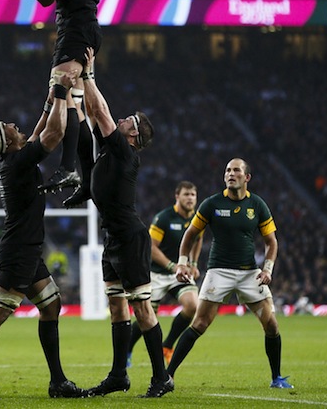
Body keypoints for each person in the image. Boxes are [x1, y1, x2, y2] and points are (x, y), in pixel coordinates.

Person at [0, 72, 87, 401]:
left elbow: (40, 129)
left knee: (52, 304)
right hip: (19, 250)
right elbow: (55, 133)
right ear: (7, 141)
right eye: (10, 127)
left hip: (26, 248)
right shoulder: (17, 162)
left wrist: (49, 101)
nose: (16, 125)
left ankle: (58, 381)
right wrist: (61, 90)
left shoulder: (12, 159)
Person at [81, 47, 174, 398]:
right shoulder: (112, 148)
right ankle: (119, 375)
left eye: (128, 122)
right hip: (113, 238)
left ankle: (161, 378)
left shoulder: (124, 151)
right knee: (117, 306)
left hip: (131, 238)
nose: (121, 120)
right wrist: (81, 84)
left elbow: (101, 110)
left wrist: (89, 72)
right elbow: (94, 110)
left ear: (133, 136)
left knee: (142, 308)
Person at [3, 0, 101, 204]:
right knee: (72, 105)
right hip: (71, 29)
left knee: (62, 88)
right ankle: (86, 179)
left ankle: (69, 168)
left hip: (78, 28)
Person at [168, 158, 293, 389]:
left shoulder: (257, 205)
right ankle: (167, 376)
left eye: (236, 170)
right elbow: (190, 234)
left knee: (272, 326)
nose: (230, 174)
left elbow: (271, 242)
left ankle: (276, 378)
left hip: (250, 274)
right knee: (200, 324)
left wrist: (267, 269)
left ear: (247, 177)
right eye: (227, 170)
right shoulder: (211, 204)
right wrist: (182, 262)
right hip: (219, 271)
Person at [127, 181, 202, 367]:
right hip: (157, 273)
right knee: (146, 316)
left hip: (180, 272)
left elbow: (198, 239)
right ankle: (127, 350)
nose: (190, 198)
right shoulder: (164, 218)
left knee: (193, 305)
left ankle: (167, 346)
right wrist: (172, 266)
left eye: (193, 195)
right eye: (186, 194)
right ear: (177, 196)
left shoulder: (197, 219)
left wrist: (193, 263)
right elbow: (151, 247)